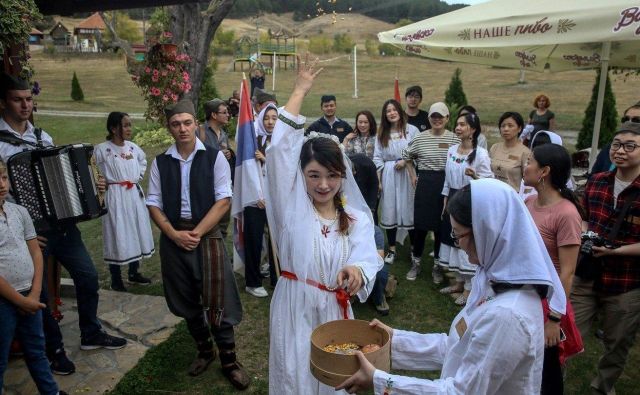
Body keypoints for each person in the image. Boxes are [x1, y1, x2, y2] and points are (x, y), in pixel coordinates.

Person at [337, 179, 566, 394]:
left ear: (488, 232)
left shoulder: (507, 315)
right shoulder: (493, 280)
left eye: (458, 236)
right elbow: (458, 347)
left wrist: (380, 380)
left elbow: (460, 391)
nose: (459, 246)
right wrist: (394, 340)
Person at [264, 55, 382, 394]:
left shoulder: (357, 218)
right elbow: (278, 153)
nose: (323, 185)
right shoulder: (290, 210)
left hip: (334, 308)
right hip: (295, 305)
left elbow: (366, 257)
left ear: (343, 176)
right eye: (313, 175)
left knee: (333, 379)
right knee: (295, 373)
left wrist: (358, 272)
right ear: (300, 176)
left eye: (332, 176)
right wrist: (300, 90)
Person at [0, 74, 126, 376]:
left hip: (64, 227)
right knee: (40, 294)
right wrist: (24, 233)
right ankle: (54, 350)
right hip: (32, 235)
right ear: (4, 102)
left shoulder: (43, 138)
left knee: (88, 276)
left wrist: (92, 185)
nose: (26, 105)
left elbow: (67, 176)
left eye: (29, 99)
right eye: (18, 100)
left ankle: (90, 332)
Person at [146, 100, 249, 389]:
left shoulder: (214, 158)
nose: (182, 129)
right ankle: (205, 350)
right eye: (176, 124)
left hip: (207, 236)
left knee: (219, 298)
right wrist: (173, 233)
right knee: (186, 299)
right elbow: (153, 203)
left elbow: (223, 200)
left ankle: (229, 361)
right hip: (173, 237)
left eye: (187, 122)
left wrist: (197, 233)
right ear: (169, 128)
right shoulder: (160, 162)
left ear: (195, 124)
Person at [571, 121, 640, 395]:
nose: (621, 151)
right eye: (616, 145)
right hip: (587, 272)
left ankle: (602, 387)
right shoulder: (598, 182)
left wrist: (616, 251)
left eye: (630, 146)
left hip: (626, 282)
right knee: (566, 331)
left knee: (618, 341)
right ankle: (549, 380)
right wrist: (586, 236)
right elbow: (585, 219)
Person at [0, 159, 67, 395]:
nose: (1, 184)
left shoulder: (19, 211)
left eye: (4, 177)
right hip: (4, 300)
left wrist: (36, 291)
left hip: (30, 293)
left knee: (37, 350)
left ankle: (51, 392)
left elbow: (36, 252)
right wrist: (21, 302)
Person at [523, 144, 584, 394]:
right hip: (527, 296)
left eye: (530, 162)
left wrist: (554, 320)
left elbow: (567, 272)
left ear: (544, 171)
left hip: (549, 304)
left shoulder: (567, 214)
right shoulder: (528, 201)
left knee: (547, 371)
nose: (524, 166)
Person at [94, 112, 154, 292]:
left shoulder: (133, 148)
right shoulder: (103, 150)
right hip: (115, 195)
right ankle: (115, 278)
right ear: (113, 128)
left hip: (133, 195)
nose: (129, 129)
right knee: (118, 232)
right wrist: (99, 181)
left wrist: (137, 176)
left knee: (135, 229)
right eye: (125, 125)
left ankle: (134, 272)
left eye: (130, 125)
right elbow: (91, 168)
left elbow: (143, 161)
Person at [438, 112, 493, 305]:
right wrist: (445, 198)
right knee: (452, 239)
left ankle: (470, 288)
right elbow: (447, 177)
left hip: (470, 200)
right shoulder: (452, 150)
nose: (458, 128)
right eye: (457, 125)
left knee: (466, 241)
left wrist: (475, 176)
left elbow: (489, 181)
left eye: (462, 125)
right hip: (453, 197)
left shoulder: (481, 154)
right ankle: (458, 282)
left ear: (473, 129)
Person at [403, 102, 458, 282]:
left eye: (440, 116)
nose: (437, 119)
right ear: (429, 119)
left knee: (440, 226)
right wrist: (412, 175)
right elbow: (407, 156)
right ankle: (416, 263)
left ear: (447, 118)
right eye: (434, 116)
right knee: (420, 226)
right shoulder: (420, 138)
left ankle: (437, 266)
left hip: (445, 183)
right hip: (425, 182)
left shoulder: (454, 139)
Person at [374, 99, 419, 265]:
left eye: (394, 110)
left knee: (409, 208)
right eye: (388, 111)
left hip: (408, 173)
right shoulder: (382, 133)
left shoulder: (411, 130)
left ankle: (414, 248)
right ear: (385, 115)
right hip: (389, 174)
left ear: (400, 111)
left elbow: (418, 150)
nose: (391, 113)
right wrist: (379, 181)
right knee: (390, 209)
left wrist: (406, 160)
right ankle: (392, 249)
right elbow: (377, 157)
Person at [243, 103, 278, 298]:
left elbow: (285, 170)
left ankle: (276, 277)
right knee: (254, 240)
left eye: (274, 118)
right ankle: (252, 281)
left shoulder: (281, 141)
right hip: (255, 199)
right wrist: (257, 196)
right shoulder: (253, 141)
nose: (270, 121)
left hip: (275, 199)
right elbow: (247, 171)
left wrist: (266, 159)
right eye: (267, 118)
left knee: (276, 241)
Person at [350, 153, 389, 314]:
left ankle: (379, 298)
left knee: (380, 272)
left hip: (369, 260)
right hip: (351, 260)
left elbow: (379, 256)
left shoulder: (375, 231)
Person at [591, 103, 640, 175]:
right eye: (626, 119)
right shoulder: (610, 148)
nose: (629, 123)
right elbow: (593, 175)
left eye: (636, 120)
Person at [490, 111, 530, 191]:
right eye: (503, 126)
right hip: (493, 194)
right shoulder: (494, 148)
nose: (506, 129)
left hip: (513, 197)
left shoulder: (525, 152)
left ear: (519, 128)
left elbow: (528, 181)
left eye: (510, 126)